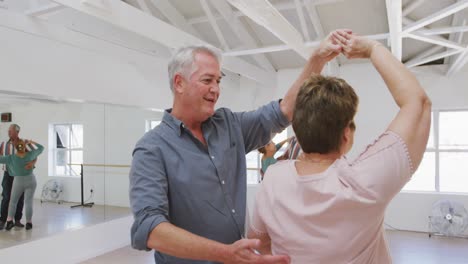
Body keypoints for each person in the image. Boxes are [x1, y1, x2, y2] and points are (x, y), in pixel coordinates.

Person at [129, 29, 350, 264]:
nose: (216, 89)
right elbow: (149, 227)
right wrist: (224, 253)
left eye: (218, 80)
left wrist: (317, 59)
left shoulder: (228, 125)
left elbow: (285, 110)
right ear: (179, 83)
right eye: (207, 80)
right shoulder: (151, 148)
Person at [248, 32, 431, 263]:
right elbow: (418, 103)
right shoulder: (364, 182)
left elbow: (259, 242)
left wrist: (317, 59)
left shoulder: (273, 178)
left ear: (298, 132)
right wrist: (373, 48)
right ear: (346, 135)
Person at [0, 139, 44, 231]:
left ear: (16, 148)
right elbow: (41, 148)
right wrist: (32, 142)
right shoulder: (31, 155)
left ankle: (9, 221)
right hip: (31, 180)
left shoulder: (11, 158)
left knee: (13, 202)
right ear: (24, 147)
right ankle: (29, 223)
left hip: (18, 181)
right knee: (28, 202)